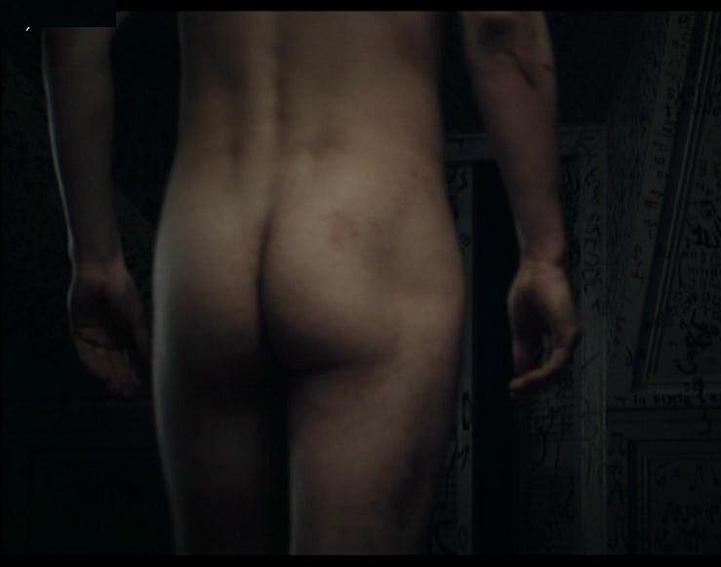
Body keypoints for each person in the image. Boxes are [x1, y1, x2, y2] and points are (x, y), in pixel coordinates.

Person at [43, 11, 581, 554]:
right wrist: (542, 255)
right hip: (365, 235)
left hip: (207, 247)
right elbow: (501, 26)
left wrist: (94, 258)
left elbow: (69, 31)